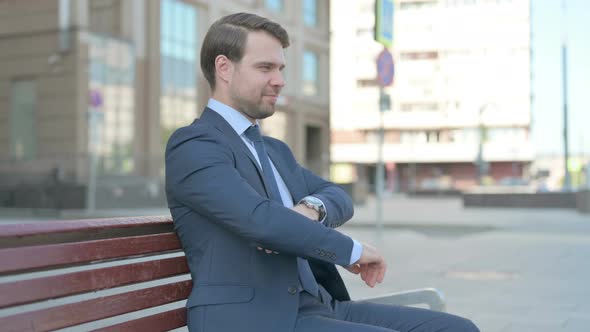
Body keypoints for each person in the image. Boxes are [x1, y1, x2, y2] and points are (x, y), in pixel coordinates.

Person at [165, 12, 479, 332]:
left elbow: (338, 196)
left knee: (458, 329)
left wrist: (310, 208)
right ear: (224, 68)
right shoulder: (194, 145)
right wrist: (352, 251)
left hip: (319, 307)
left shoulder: (275, 151)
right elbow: (261, 221)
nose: (279, 80)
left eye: (280, 68)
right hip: (250, 318)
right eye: (265, 68)